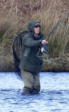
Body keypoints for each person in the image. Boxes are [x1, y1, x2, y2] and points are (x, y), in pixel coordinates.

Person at [20, 21, 48, 94]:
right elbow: (30, 43)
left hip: (36, 67)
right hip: (26, 67)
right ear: (32, 28)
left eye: (39, 27)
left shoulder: (41, 37)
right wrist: (40, 42)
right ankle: (23, 102)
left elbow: (46, 47)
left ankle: (35, 103)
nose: (38, 28)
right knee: (28, 87)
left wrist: (44, 49)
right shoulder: (27, 37)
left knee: (37, 88)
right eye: (36, 27)